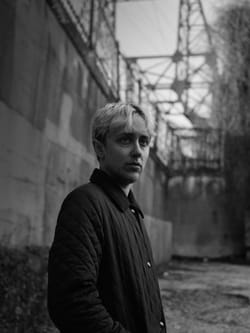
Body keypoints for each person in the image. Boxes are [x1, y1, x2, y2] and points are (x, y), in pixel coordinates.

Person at [47, 102, 166, 333]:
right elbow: (72, 303)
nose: (137, 151)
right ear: (99, 148)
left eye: (144, 142)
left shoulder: (132, 212)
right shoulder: (85, 204)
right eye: (125, 140)